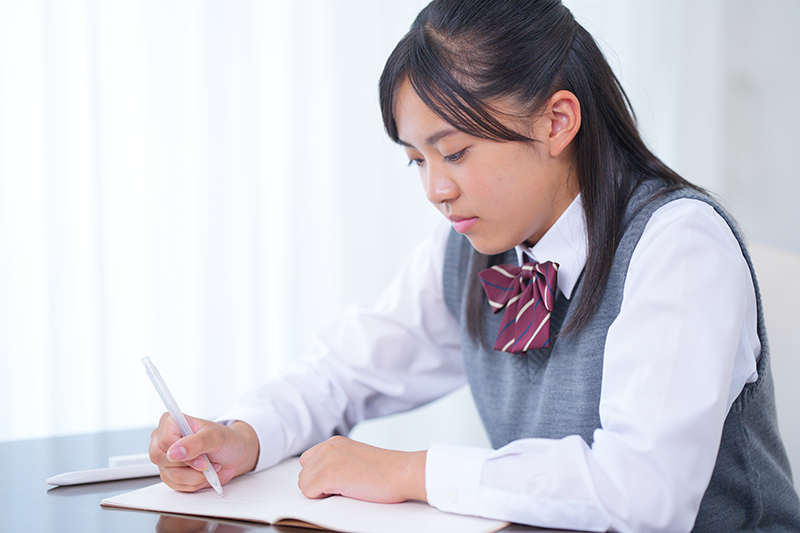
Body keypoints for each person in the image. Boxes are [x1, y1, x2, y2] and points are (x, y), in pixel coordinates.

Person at [148, 0, 800, 531]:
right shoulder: (473, 246)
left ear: (557, 120)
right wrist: (244, 434)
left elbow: (646, 491)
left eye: (454, 152)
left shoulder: (678, 245)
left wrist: (410, 471)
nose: (435, 189)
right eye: (416, 160)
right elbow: (346, 369)